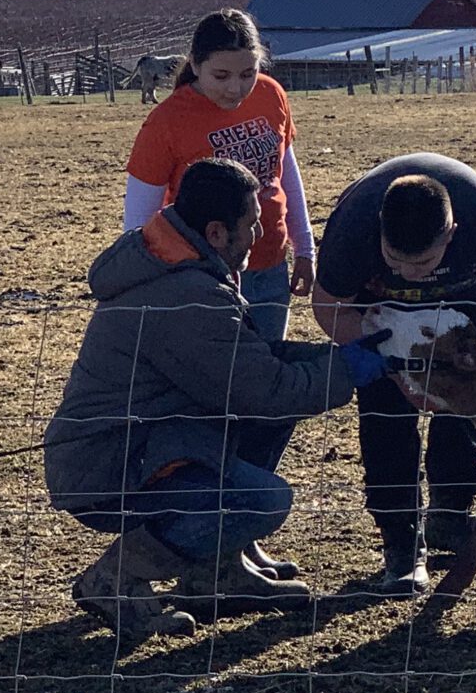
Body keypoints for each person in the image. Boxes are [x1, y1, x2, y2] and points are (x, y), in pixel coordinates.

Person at [45, 158, 392, 640]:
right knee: (261, 500)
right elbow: (264, 391)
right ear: (215, 232)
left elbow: (250, 366)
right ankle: (116, 579)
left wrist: (327, 359)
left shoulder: (182, 264)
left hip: (147, 441)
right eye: (251, 224)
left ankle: (217, 575)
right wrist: (351, 368)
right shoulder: (186, 295)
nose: (261, 235)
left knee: (272, 415)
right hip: (111, 465)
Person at [312, 154, 476, 596]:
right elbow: (327, 303)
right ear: (381, 234)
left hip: (461, 314)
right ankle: (402, 547)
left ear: (452, 234)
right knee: (385, 417)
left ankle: (451, 514)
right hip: (381, 323)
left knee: (467, 400)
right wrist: (391, 369)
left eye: (424, 263)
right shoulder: (354, 225)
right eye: (394, 258)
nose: (408, 273)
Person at [125, 9, 313, 346]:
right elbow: (138, 222)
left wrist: (304, 248)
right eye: (221, 76)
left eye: (248, 73)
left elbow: (286, 177)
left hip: (269, 264)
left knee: (264, 375)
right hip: (199, 277)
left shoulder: (271, 96)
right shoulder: (165, 122)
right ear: (195, 66)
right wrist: (148, 285)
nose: (235, 88)